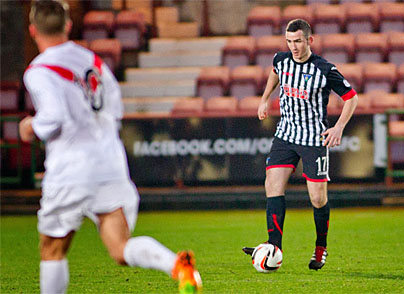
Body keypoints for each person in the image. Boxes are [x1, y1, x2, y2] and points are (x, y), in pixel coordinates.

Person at [19, 1, 202, 293]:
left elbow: (53, 117)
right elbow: (114, 106)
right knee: (120, 247)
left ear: (32, 30)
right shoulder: (92, 61)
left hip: (71, 168)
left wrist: (31, 127)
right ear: (67, 25)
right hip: (109, 163)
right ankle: (176, 264)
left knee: (52, 249)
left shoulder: (38, 70)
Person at [242, 19, 358, 271]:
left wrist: (338, 127)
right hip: (285, 135)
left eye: (298, 41)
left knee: (317, 198)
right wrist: (264, 100)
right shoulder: (281, 60)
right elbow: (274, 72)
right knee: (272, 184)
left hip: (314, 139)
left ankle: (320, 246)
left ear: (309, 41)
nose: (293, 47)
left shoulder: (325, 69)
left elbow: (351, 98)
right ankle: (274, 246)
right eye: (289, 41)